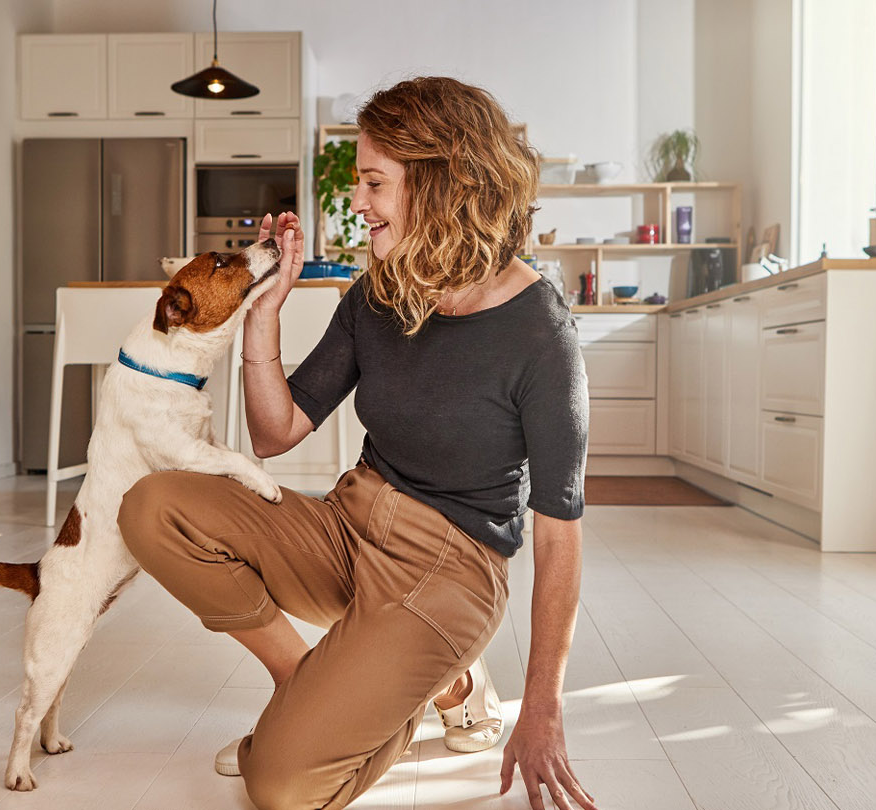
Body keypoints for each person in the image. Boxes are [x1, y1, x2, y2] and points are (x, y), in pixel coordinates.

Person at [118, 76, 595, 810]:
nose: (358, 202)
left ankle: (416, 686)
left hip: (452, 571)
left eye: (375, 183)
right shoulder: (379, 293)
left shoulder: (540, 333)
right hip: (348, 526)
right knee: (152, 508)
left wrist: (544, 711)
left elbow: (560, 539)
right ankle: (312, 686)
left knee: (278, 784)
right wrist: (263, 313)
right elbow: (276, 436)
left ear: (441, 182)